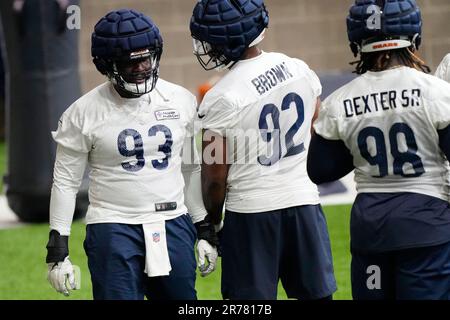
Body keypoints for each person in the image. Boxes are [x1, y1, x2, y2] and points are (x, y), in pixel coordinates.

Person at [45, 9, 219, 300]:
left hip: (173, 220)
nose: (141, 67)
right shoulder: (82, 113)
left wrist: (204, 228)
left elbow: (189, 168)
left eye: (146, 57)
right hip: (114, 225)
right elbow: (65, 183)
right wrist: (58, 250)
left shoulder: (181, 100)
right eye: (130, 62)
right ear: (108, 64)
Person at [190, 0, 337, 300]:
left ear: (228, 38)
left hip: (252, 212)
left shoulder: (221, 96)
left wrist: (211, 225)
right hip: (304, 202)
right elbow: (315, 123)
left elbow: (214, 177)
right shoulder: (299, 68)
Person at [308, 0, 450, 300]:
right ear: (414, 37)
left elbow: (320, 171)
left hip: (370, 228)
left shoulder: (339, 100)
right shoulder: (436, 91)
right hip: (426, 225)